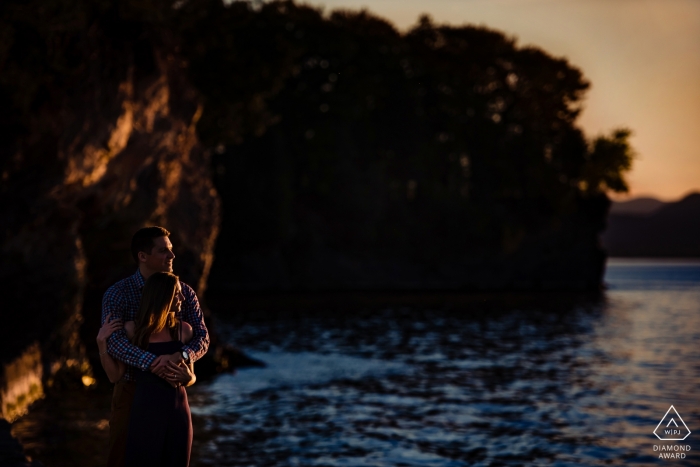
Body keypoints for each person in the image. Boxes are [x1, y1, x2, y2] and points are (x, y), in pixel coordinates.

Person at [100, 226, 209, 467]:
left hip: (173, 391)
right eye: (163, 251)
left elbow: (202, 337)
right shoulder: (118, 293)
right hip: (131, 391)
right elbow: (115, 341)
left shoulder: (185, 293)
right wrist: (151, 363)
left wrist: (181, 355)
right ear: (142, 256)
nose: (171, 256)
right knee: (122, 459)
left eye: (171, 250)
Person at [98, 272, 195, 466]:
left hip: (178, 412)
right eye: (177, 294)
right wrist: (102, 343)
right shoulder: (133, 331)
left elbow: (190, 376)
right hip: (144, 412)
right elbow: (114, 375)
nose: (182, 298)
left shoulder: (183, 330)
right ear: (163, 296)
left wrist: (188, 377)